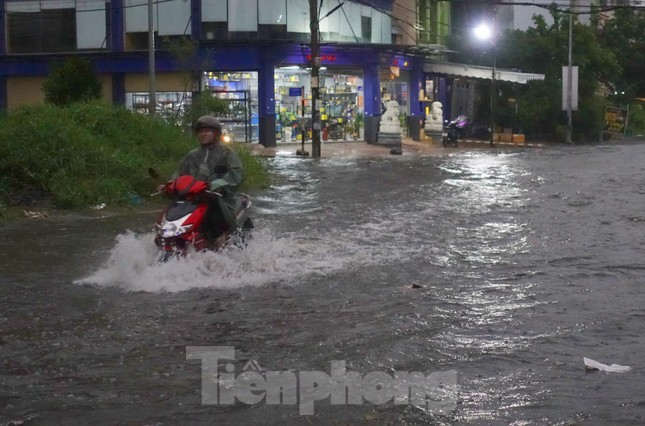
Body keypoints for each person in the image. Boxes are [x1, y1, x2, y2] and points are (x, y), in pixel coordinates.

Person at [159, 115, 245, 243]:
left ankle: (221, 239)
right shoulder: (192, 155)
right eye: (200, 132)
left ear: (215, 133)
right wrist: (170, 185)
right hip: (194, 196)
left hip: (220, 197)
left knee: (214, 207)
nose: (203, 134)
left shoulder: (226, 152)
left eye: (207, 131)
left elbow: (236, 174)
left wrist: (217, 184)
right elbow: (179, 173)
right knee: (174, 206)